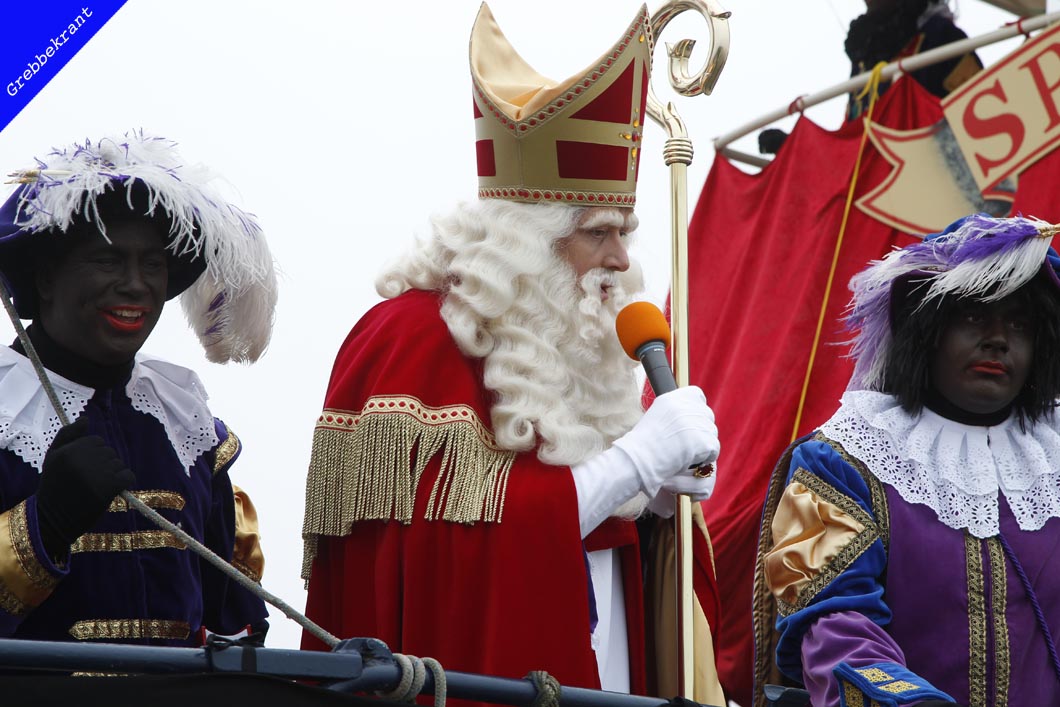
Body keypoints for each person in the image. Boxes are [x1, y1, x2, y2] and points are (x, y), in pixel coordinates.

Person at [300, 4, 724, 703]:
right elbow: (454, 563)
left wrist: (650, 501)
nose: (621, 258)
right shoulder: (411, 339)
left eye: (625, 232)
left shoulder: (583, 340)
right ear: (529, 241)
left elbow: (585, 521)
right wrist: (632, 463)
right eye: (599, 232)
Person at [754, 214, 1060, 706]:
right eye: (974, 315)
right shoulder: (840, 460)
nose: (999, 338)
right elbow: (830, 622)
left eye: (1020, 324)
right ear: (928, 330)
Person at [0, 132, 278, 645]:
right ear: (46, 279)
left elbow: (235, 628)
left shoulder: (189, 426)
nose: (136, 284)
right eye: (108, 261)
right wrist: (44, 525)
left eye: (152, 264)